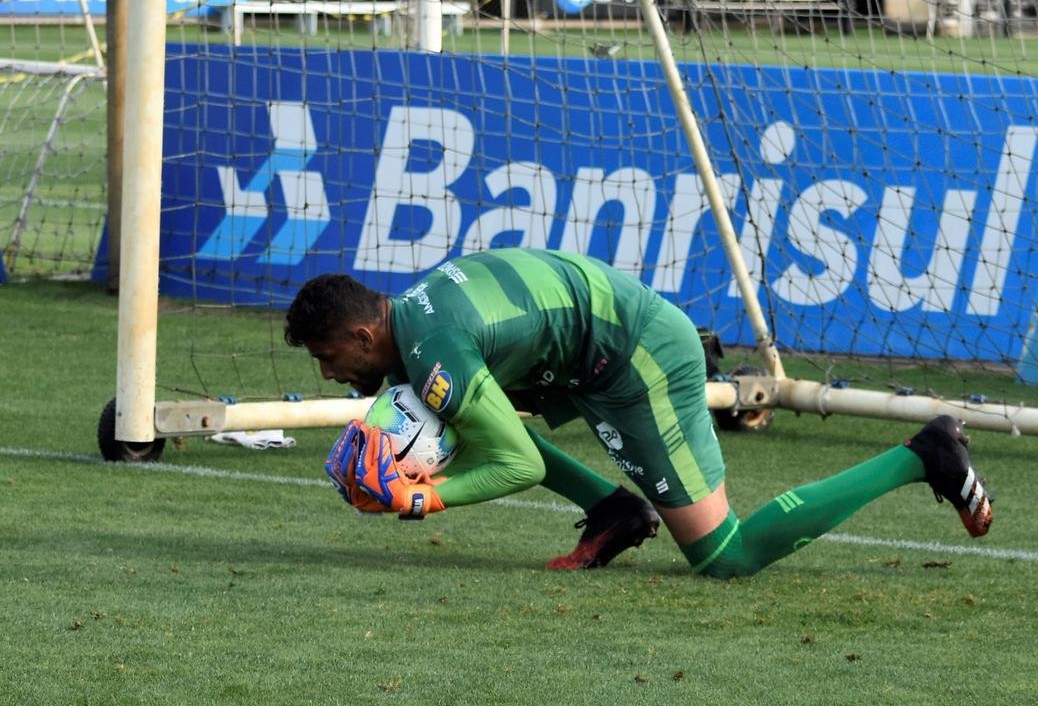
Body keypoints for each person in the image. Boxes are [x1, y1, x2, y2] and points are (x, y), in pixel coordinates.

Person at [284, 248, 992, 579]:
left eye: (328, 357)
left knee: (725, 555)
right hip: (588, 346)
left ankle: (921, 455)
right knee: (477, 419)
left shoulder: (434, 354)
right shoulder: (413, 314)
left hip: (638, 357)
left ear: (363, 336)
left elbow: (517, 462)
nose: (328, 374)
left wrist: (422, 498)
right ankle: (617, 512)